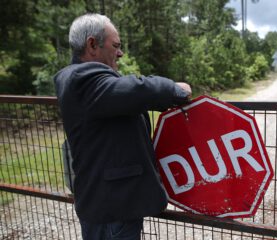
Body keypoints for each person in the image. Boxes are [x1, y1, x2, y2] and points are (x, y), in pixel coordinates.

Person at [54, 13, 192, 239]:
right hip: (111, 211)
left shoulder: (83, 80)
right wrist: (175, 89)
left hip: (108, 206)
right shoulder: (82, 78)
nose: (120, 52)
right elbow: (135, 90)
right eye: (116, 45)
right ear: (92, 44)